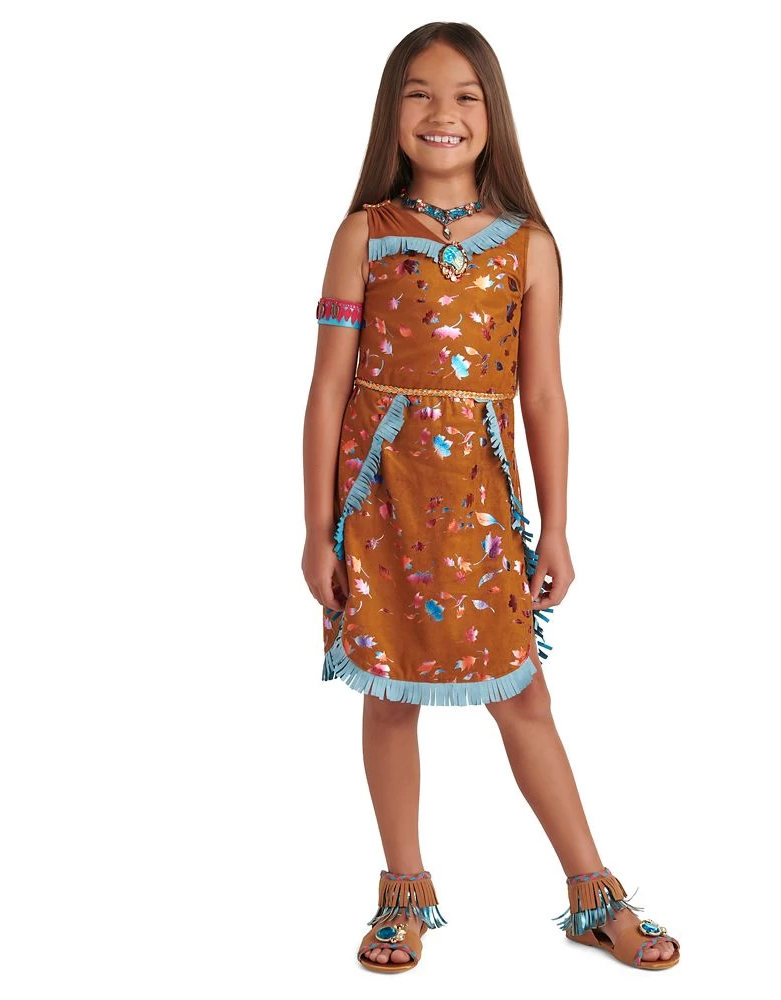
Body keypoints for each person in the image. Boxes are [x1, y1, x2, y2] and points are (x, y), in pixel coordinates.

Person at [302, 21, 681, 975]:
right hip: (380, 504)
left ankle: (594, 893)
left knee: (524, 698)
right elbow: (327, 387)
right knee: (389, 697)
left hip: (479, 507)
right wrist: (315, 531)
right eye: (420, 94)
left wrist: (557, 530)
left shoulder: (529, 247)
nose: (443, 114)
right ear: (392, 114)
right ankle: (403, 894)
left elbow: (542, 394)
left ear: (492, 113)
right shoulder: (363, 236)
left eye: (465, 95)